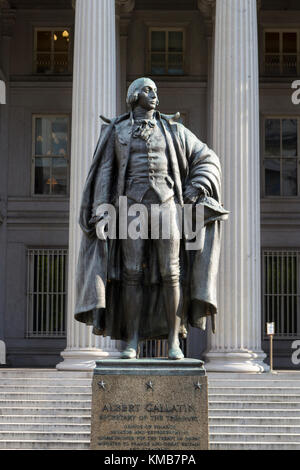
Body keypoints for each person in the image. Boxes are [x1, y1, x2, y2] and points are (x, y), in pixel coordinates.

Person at [75, 77, 228, 360]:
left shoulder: (173, 130)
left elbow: (207, 157)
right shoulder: (116, 131)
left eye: (156, 90)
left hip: (167, 205)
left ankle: (174, 341)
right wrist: (99, 209)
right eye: (148, 90)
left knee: (172, 273)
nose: (154, 94)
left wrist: (198, 184)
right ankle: (131, 341)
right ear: (134, 96)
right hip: (131, 207)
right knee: (132, 273)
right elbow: (105, 172)